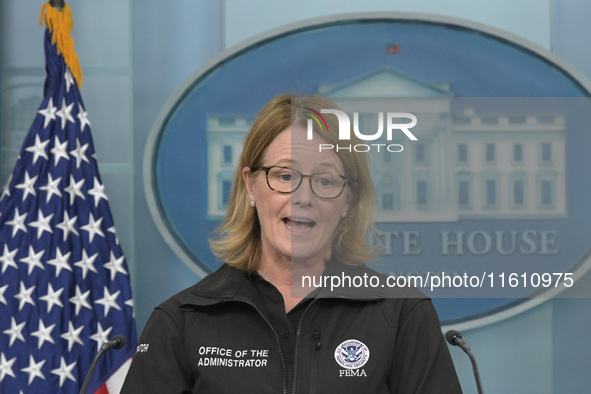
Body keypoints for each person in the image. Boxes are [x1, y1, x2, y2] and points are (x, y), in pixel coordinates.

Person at [121, 94, 463, 393]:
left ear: (348, 200)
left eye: (326, 180)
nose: (303, 197)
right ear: (250, 186)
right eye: (285, 175)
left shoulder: (403, 314)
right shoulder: (181, 321)